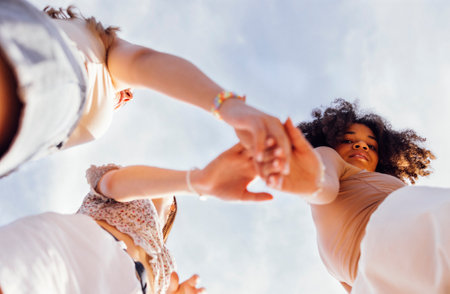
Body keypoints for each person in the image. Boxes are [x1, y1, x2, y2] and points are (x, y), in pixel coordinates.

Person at [0, 1, 290, 187]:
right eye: (127, 93)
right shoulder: (101, 48)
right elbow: (144, 63)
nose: (129, 98)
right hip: (37, 60)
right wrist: (230, 107)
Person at [0, 143, 272, 294]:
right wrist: (194, 181)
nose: (163, 190)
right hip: (74, 249)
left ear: (170, 215)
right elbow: (117, 184)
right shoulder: (116, 186)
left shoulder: (164, 259)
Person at [259, 99, 448, 293]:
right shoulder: (327, 155)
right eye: (348, 140)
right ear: (330, 143)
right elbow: (323, 186)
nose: (361, 145)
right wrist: (306, 180)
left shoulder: (381, 182)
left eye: (371, 146)